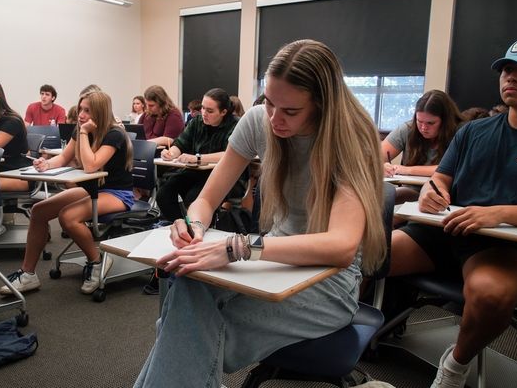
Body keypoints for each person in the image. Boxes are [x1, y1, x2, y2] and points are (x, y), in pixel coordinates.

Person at [134, 39, 385, 387]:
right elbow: (206, 201)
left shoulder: (352, 138)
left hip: (328, 282)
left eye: (290, 111)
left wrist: (237, 247)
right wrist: (192, 225)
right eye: (268, 103)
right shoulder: (258, 120)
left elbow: (341, 248)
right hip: (270, 263)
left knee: (185, 327)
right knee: (188, 285)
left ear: (322, 103)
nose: (274, 118)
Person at [388, 33, 517, 388]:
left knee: (489, 293)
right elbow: (440, 179)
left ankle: (455, 366)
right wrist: (430, 192)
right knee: (367, 252)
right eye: (506, 70)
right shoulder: (474, 131)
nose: (511, 78)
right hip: (446, 233)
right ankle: (362, 331)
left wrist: (498, 213)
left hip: (510, 249)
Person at [1, 90, 134, 295]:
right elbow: (62, 159)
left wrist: (82, 132)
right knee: (39, 211)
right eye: (80, 108)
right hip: (91, 189)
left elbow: (91, 166)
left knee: (68, 217)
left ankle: (96, 262)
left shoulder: (114, 134)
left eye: (87, 110)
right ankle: (28, 275)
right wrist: (46, 164)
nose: (81, 114)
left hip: (117, 193)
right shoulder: (80, 129)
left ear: (100, 112)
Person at [156, 88, 242, 221]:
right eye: (202, 108)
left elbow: (229, 154)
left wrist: (199, 158)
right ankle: (182, 226)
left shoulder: (236, 125)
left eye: (210, 111)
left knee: (194, 199)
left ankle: (195, 228)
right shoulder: (196, 122)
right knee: (164, 194)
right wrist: (171, 152)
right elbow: (181, 143)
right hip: (197, 172)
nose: (204, 113)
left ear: (224, 112)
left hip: (224, 175)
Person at [381, 90, 463, 204]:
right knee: (381, 201)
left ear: (445, 121)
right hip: (411, 191)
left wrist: (407, 170)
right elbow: (376, 157)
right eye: (419, 121)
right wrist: (382, 166)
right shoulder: (408, 129)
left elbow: (453, 168)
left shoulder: (461, 133)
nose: (423, 128)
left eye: (431, 123)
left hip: (444, 196)